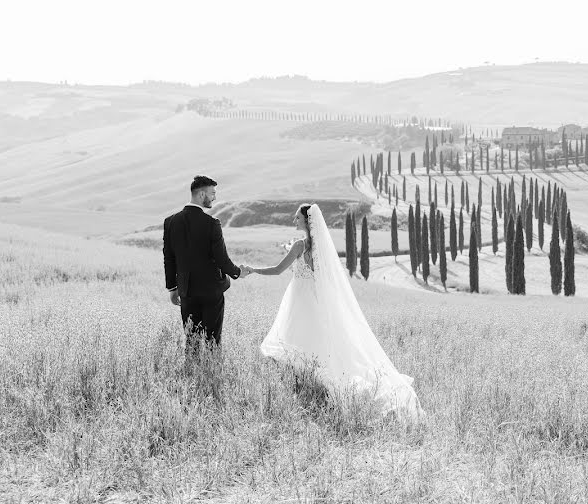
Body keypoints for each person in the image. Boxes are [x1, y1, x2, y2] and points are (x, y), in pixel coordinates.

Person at [244, 203, 423, 422]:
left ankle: (305, 391)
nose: (294, 221)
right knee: (315, 345)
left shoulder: (299, 246)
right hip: (315, 303)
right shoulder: (322, 249)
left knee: (295, 343)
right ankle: (311, 389)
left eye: (297, 218)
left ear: (307, 221)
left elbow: (277, 270)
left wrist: (252, 269)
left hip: (299, 303)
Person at [162, 175, 249, 351]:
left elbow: (169, 259)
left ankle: (192, 374)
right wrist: (238, 272)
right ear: (201, 194)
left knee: (191, 340)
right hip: (212, 291)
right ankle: (213, 374)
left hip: (186, 291)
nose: (214, 197)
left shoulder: (170, 222)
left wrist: (172, 289)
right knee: (213, 341)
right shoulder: (212, 224)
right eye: (212, 193)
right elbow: (222, 260)